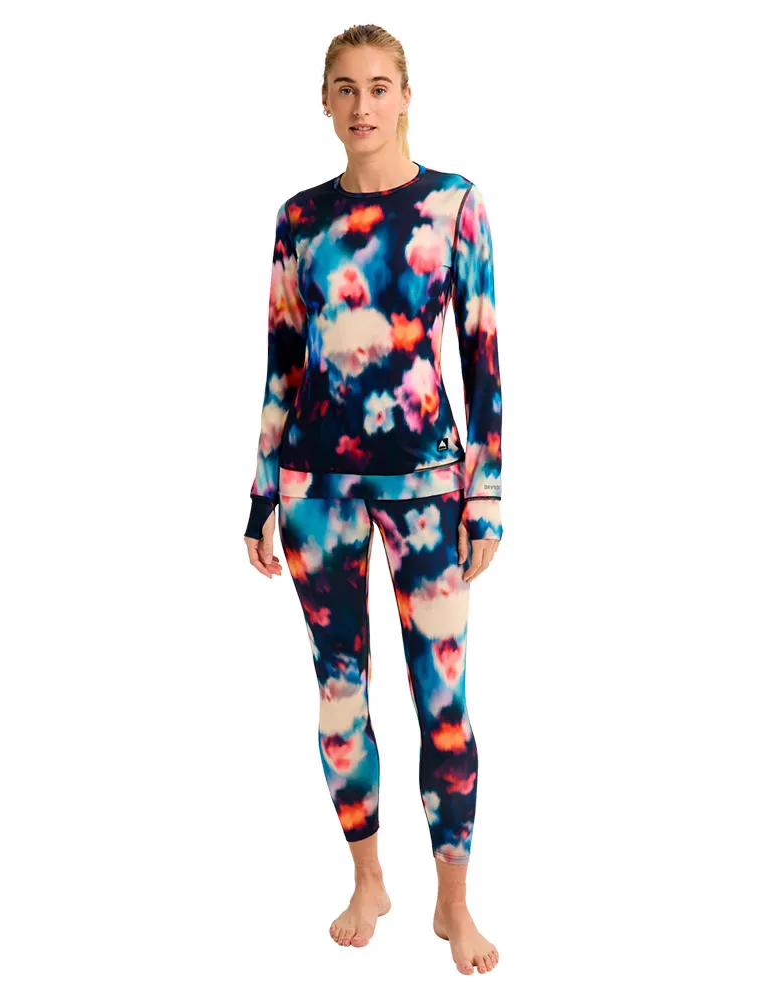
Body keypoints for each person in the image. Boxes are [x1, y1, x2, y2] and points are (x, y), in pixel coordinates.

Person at [243, 24, 502, 976]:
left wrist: (487, 494)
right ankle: (368, 880)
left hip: (430, 490)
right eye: (346, 88)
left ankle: (454, 902)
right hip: (316, 492)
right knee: (339, 694)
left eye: (379, 86)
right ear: (324, 100)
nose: (363, 105)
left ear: (406, 96)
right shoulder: (299, 219)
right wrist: (260, 495)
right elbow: (282, 363)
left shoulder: (452, 205)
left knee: (443, 701)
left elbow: (482, 357)